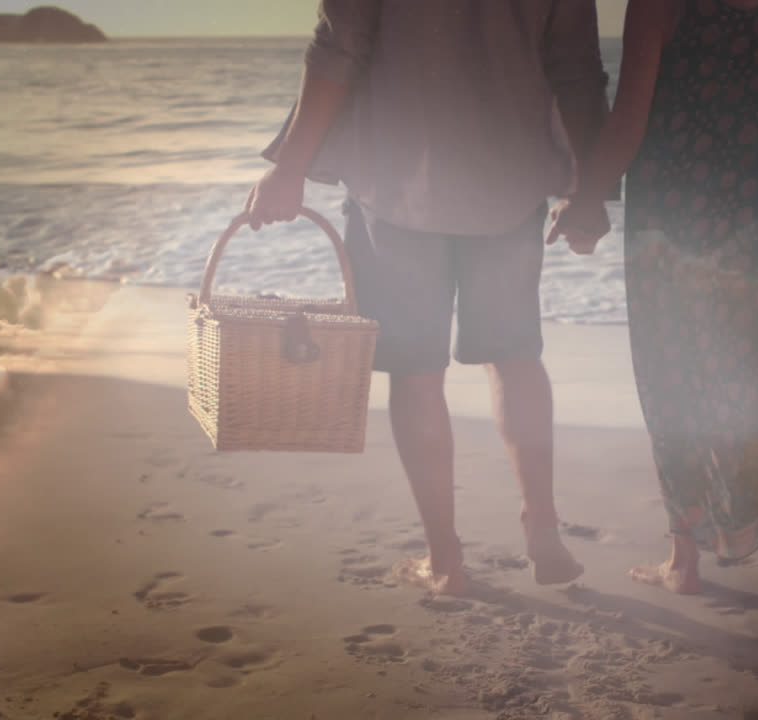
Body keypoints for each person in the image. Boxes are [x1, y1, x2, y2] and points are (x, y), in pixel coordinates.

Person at [245, 1, 613, 596]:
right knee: (515, 356)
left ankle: (445, 559)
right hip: (508, 180)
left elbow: (338, 47)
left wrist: (290, 166)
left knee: (417, 373)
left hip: (396, 182)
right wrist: (590, 190)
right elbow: (576, 67)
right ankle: (542, 530)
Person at [546, 0, 758, 596]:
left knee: (675, 376)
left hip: (676, 206)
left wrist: (586, 195)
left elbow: (630, 119)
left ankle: (685, 560)